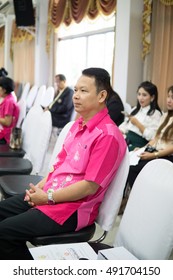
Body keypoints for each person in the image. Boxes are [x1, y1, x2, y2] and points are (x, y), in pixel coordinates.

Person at [0, 67, 127, 260]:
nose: (75, 96)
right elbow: (59, 165)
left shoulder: (108, 136)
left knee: (5, 231)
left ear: (101, 96)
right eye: (75, 90)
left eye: (83, 91)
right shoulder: (78, 125)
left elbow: (88, 187)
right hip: (51, 195)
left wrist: (48, 197)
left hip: (71, 209)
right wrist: (40, 188)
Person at [127, 85, 173, 188]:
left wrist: (154, 155)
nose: (169, 100)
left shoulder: (157, 114)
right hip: (156, 152)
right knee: (131, 161)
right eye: (168, 96)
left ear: (152, 97)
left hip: (167, 157)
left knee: (135, 168)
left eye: (172, 97)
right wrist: (143, 149)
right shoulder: (165, 116)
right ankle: (135, 194)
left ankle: (140, 195)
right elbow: (156, 138)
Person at [119, 81, 162, 151]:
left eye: (144, 95)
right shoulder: (135, 109)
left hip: (139, 146)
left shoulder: (155, 114)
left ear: (152, 97)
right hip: (126, 141)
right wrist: (121, 131)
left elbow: (152, 137)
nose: (140, 98)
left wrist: (138, 124)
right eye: (139, 94)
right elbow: (125, 125)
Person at [0, 77, 19, 144]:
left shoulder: (9, 102)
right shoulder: (8, 98)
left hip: (5, 136)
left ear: (4, 90)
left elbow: (7, 122)